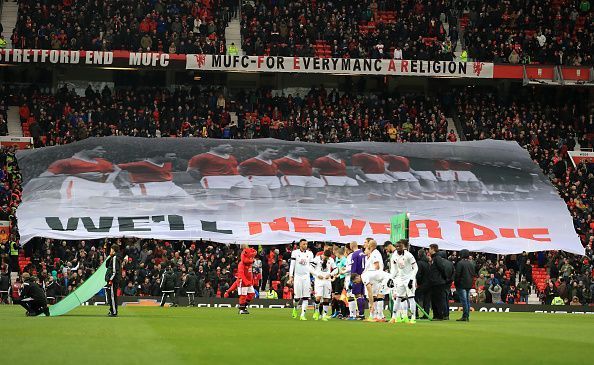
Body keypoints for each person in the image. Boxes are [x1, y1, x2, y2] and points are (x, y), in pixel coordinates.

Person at [388, 240, 418, 324]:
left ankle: (413, 318)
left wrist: (412, 279)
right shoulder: (394, 256)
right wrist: (391, 278)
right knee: (398, 298)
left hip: (409, 278)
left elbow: (416, 268)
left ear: (403, 247)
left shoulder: (409, 255)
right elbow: (395, 269)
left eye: (399, 246)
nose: (398, 248)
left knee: (411, 298)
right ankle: (394, 317)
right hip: (401, 279)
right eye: (396, 246)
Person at [361, 239, 389, 322]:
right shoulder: (371, 254)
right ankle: (374, 315)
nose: (366, 245)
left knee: (376, 296)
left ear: (372, 245)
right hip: (373, 277)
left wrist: (375, 276)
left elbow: (376, 265)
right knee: (374, 296)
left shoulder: (375, 253)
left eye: (368, 243)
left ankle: (378, 315)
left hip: (375, 277)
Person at [288, 239, 314, 320]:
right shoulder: (295, 252)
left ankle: (303, 315)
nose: (305, 245)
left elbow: (312, 266)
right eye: (303, 244)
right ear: (300, 245)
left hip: (306, 277)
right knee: (297, 298)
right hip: (297, 277)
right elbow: (292, 265)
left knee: (306, 297)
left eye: (306, 244)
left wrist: (313, 276)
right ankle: (295, 308)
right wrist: (290, 276)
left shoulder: (310, 254)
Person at [310, 249, 336, 321]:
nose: (327, 259)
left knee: (326, 298)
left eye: (328, 258)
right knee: (318, 297)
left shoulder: (331, 260)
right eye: (326, 257)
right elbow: (310, 268)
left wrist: (330, 274)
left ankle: (324, 314)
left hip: (327, 281)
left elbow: (336, 269)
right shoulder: (317, 259)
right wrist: (317, 275)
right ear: (323, 254)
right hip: (319, 281)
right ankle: (316, 312)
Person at [454, 249, 475, 321]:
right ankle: (467, 315)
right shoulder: (471, 263)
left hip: (462, 284)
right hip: (469, 284)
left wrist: (456, 283)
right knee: (467, 300)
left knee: (464, 301)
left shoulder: (460, 263)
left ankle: (465, 316)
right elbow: (473, 274)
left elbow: (457, 275)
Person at [428, 244, 447, 320]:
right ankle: (435, 315)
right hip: (434, 282)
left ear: (433, 249)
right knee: (434, 299)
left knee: (438, 300)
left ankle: (439, 315)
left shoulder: (437, 258)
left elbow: (442, 268)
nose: (428, 250)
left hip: (438, 282)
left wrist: (443, 278)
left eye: (429, 249)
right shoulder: (434, 258)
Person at [415, 249, 431, 319]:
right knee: (427, 300)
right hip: (429, 283)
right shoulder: (428, 263)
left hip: (422, 284)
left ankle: (415, 313)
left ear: (419, 255)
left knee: (415, 297)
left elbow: (418, 275)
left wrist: (418, 283)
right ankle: (426, 314)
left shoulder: (419, 263)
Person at [104, 245, 120, 317]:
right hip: (112, 280)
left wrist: (110, 280)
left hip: (112, 280)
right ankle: (112, 310)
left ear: (113, 250)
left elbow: (114, 271)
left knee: (112, 296)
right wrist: (110, 256)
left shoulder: (115, 258)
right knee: (111, 296)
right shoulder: (112, 257)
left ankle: (114, 311)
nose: (110, 250)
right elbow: (107, 265)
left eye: (111, 249)